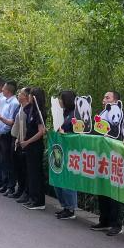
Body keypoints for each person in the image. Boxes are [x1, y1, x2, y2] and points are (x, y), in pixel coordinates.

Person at [90, 90, 124, 235]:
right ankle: (104, 220)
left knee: (114, 193)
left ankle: (116, 224)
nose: (104, 100)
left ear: (116, 101)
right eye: (104, 97)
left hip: (115, 157)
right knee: (103, 189)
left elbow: (118, 133)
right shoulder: (103, 113)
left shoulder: (119, 114)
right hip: (102, 157)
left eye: (107, 97)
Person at [17, 86, 48, 209]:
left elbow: (41, 132)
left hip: (35, 146)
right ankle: (32, 197)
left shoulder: (39, 112)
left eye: (30, 95)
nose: (28, 97)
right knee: (31, 173)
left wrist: (27, 142)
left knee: (36, 173)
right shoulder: (31, 110)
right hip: (29, 146)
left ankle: (39, 201)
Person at [53, 90, 80, 220]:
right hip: (60, 149)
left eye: (61, 99)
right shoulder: (63, 113)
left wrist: (66, 134)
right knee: (59, 179)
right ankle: (65, 206)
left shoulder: (76, 114)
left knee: (68, 181)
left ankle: (70, 208)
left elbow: (79, 134)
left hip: (71, 151)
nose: (59, 101)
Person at [0, 81, 20, 195]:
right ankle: (4, 183)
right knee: (3, 160)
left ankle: (10, 186)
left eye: (4, 89)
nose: (2, 90)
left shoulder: (14, 103)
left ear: (9, 91)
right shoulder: (4, 101)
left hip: (7, 135)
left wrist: (0, 132)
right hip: (1, 132)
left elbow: (10, 122)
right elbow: (2, 117)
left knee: (8, 161)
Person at [10, 87, 30, 201]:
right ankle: (20, 189)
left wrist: (21, 140)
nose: (18, 95)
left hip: (24, 141)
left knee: (24, 169)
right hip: (17, 139)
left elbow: (26, 128)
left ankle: (25, 192)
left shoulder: (28, 109)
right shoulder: (20, 107)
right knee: (17, 167)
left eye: (21, 93)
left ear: (26, 96)